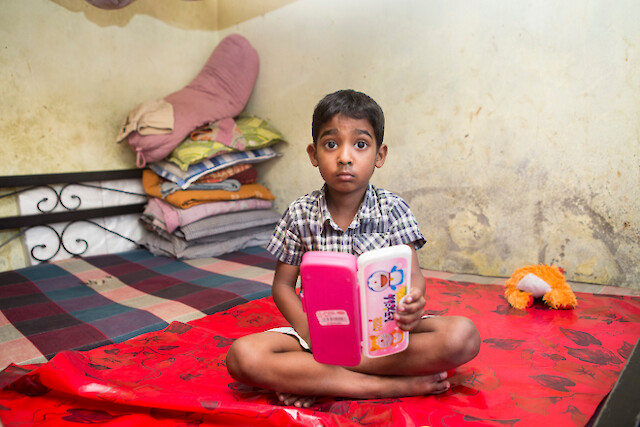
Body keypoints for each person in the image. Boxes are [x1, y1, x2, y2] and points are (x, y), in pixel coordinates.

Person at [226, 89, 480, 408]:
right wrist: (310, 331)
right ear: (314, 154)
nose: (345, 156)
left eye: (360, 144)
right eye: (331, 144)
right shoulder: (300, 213)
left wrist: (413, 303)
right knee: (243, 357)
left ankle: (319, 380)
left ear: (379, 155)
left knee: (463, 336)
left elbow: (414, 278)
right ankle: (378, 386)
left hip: (386, 333)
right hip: (322, 334)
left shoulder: (394, 209)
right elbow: (282, 286)